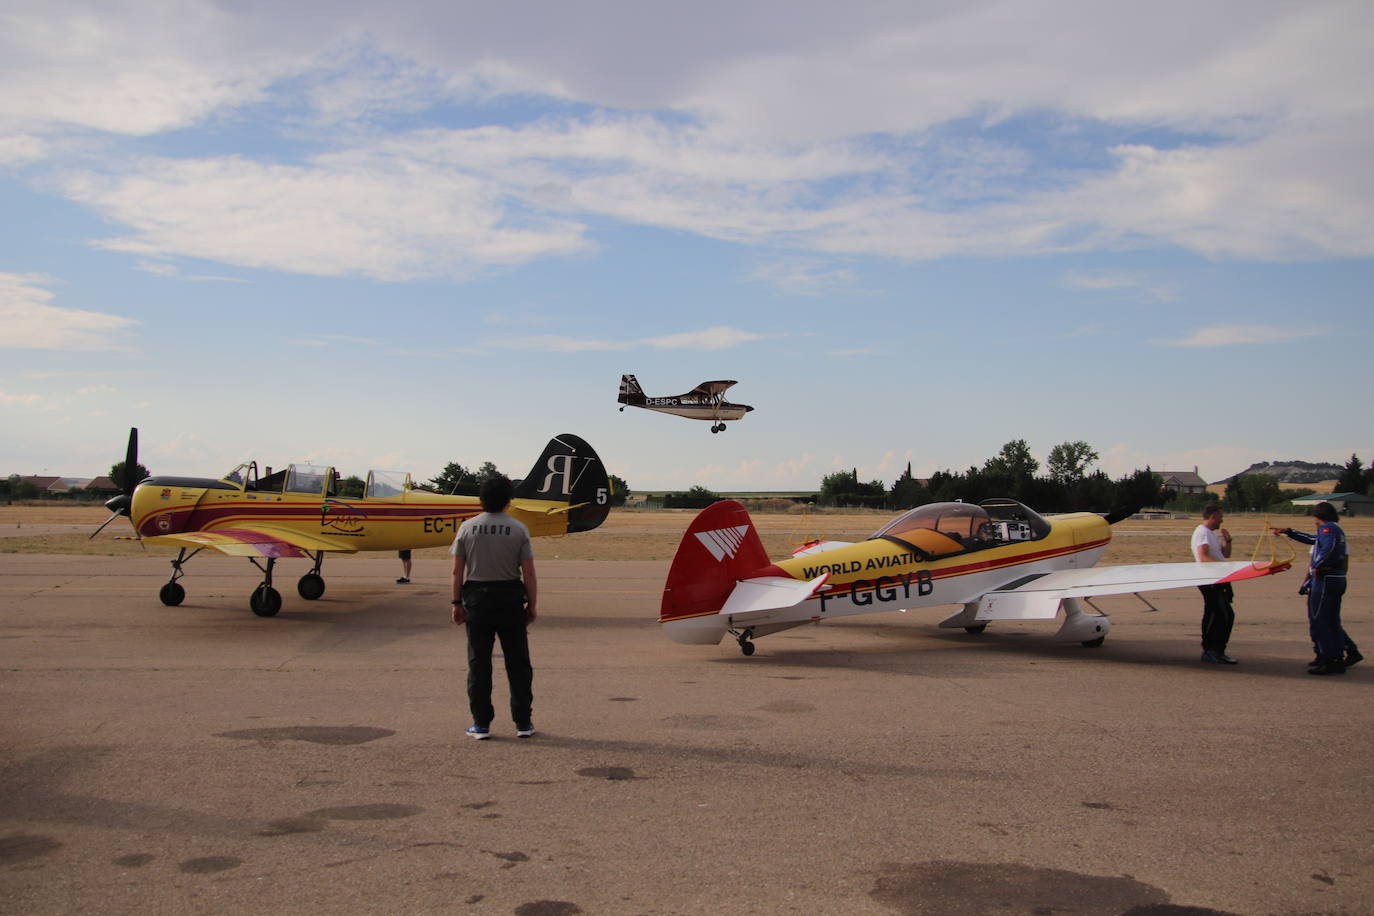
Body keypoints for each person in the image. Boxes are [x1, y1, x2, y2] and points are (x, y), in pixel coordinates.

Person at [450, 475, 538, 739]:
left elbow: (457, 571)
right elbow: (529, 573)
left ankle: (481, 724)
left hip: (477, 600)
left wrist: (456, 603)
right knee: (518, 663)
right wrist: (532, 605)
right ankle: (523, 722)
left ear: (482, 499)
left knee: (479, 664)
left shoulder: (467, 528)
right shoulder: (519, 529)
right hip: (510, 599)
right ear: (508, 500)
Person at [1273, 502, 1360, 676]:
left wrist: (1317, 566)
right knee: (1332, 621)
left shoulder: (1327, 529)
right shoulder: (1336, 529)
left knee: (1320, 620)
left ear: (1319, 516)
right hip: (1337, 579)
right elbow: (1313, 539)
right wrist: (1290, 532)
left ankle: (1329, 660)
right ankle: (1336, 659)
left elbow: (1328, 550)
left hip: (1326, 579)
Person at [1191, 505, 1238, 664]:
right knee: (1217, 614)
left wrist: (1228, 541)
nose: (1222, 520)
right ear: (1212, 517)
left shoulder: (1211, 534)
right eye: (1220, 517)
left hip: (1219, 579)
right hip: (1209, 580)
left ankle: (1219, 650)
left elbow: (1225, 554)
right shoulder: (1202, 532)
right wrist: (1225, 567)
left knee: (1227, 616)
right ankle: (1210, 651)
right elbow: (1203, 557)